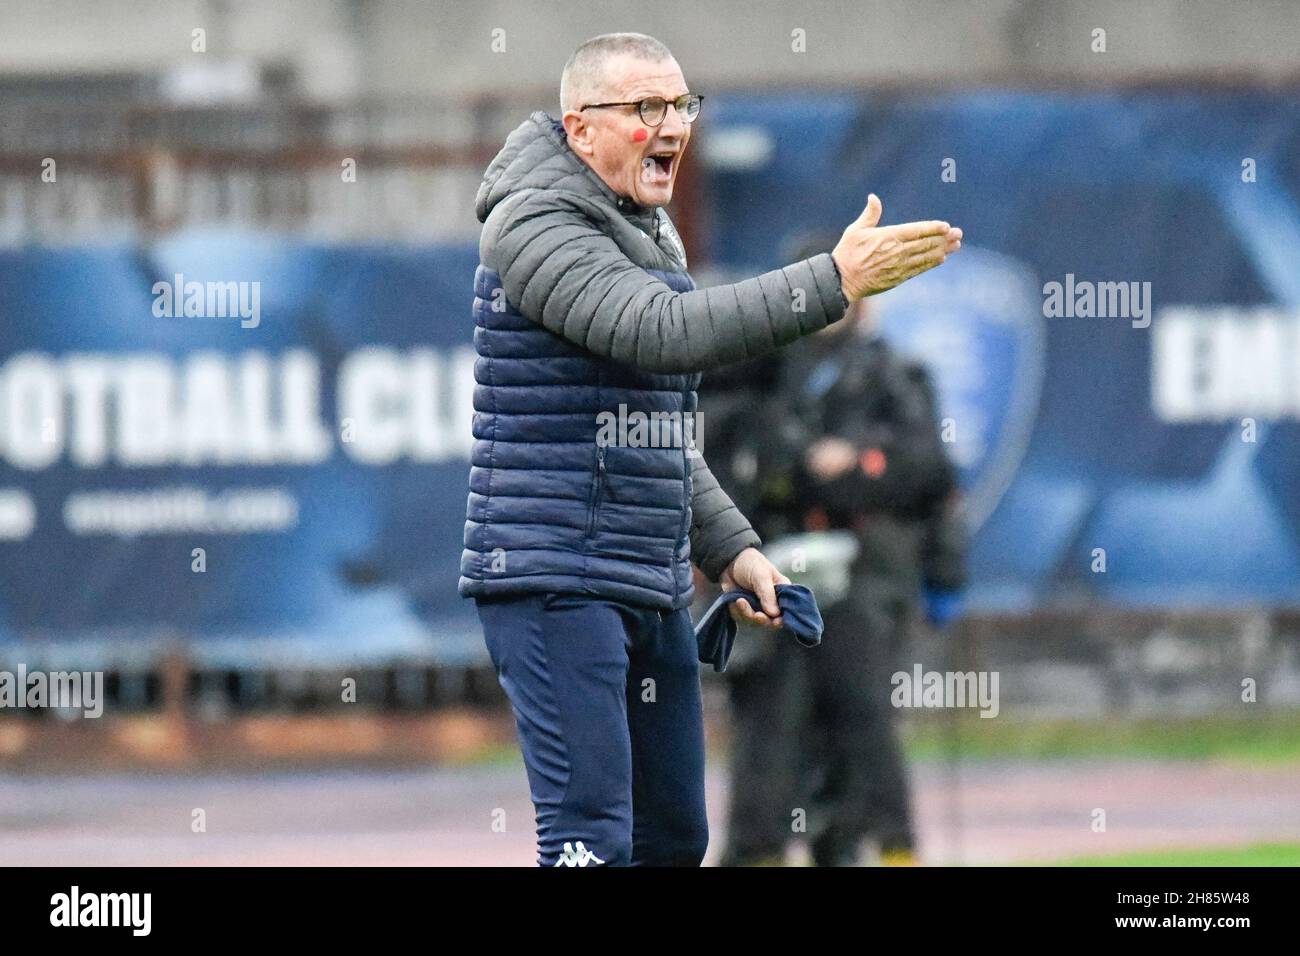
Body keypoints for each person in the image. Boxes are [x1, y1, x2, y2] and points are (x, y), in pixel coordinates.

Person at [459, 32, 962, 867]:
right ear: (581, 129)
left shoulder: (644, 230)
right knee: (591, 838)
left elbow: (655, 428)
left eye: (681, 105)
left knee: (674, 839)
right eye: (645, 107)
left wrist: (734, 550)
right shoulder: (533, 222)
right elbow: (667, 335)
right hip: (553, 575)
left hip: (641, 574)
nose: (673, 124)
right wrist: (829, 283)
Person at [712, 243, 967, 866]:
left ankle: (878, 850)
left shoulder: (894, 375)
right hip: (773, 586)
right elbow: (735, 470)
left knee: (865, 734)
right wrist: (805, 471)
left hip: (866, 585)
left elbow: (928, 476)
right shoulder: (761, 373)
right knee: (769, 744)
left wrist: (855, 469)